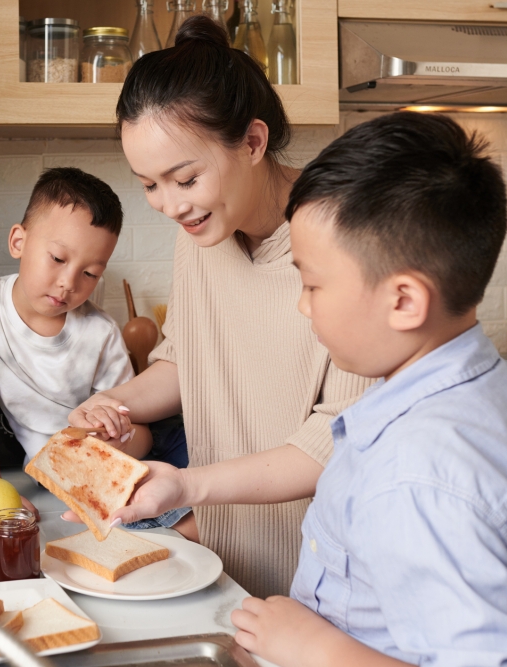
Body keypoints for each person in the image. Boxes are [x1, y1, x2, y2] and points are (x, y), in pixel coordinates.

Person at [226, 112, 507, 666]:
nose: (303, 304)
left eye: (312, 283)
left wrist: (312, 647)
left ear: (404, 301)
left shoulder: (416, 470)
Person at [68, 16, 371, 598]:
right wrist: (112, 405)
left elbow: (334, 440)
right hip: (226, 560)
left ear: (253, 142)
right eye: (149, 184)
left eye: (184, 178)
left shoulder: (342, 237)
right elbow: (187, 361)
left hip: (322, 574)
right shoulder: (201, 234)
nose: (168, 205)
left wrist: (186, 486)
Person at [0, 167, 153, 507]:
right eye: (57, 258)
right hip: (43, 479)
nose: (69, 282)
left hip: (97, 471)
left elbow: (139, 433)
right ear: (18, 242)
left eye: (89, 273)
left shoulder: (100, 332)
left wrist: (114, 435)